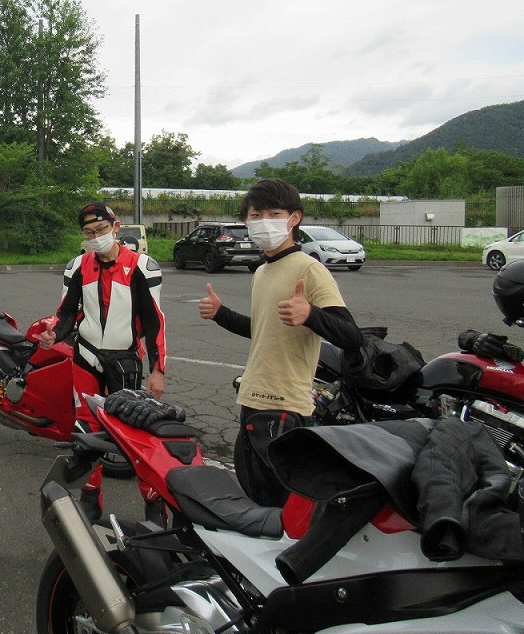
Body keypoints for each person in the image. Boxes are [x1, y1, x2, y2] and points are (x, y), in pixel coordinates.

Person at [198, 178, 363, 507]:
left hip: (286, 407)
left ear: (294, 218)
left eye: (274, 214)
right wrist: (221, 314)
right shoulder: (263, 271)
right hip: (252, 398)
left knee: (282, 509)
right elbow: (262, 330)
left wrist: (311, 314)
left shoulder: (309, 269)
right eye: (255, 215)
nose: (263, 222)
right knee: (256, 499)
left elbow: (351, 336)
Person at [38, 202, 167, 520]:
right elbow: (67, 313)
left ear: (116, 227)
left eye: (101, 230)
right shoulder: (78, 266)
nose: (96, 237)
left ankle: (153, 504)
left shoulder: (142, 266)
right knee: (85, 431)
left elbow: (154, 322)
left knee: (133, 434)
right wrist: (54, 334)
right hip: (86, 357)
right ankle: (90, 498)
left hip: (125, 361)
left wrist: (158, 370)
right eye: (89, 232)